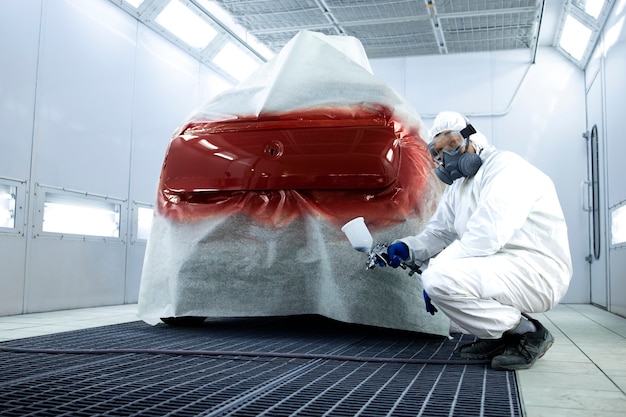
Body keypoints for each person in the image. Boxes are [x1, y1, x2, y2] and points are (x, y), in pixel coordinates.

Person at [380, 111, 572, 370]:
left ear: (473, 137)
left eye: (452, 144)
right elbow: (439, 233)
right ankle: (499, 335)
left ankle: (529, 332)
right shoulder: (459, 187)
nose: (448, 156)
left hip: (537, 270)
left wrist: (435, 274)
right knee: (438, 277)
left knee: (440, 279)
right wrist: (408, 248)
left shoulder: (506, 168)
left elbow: (485, 237)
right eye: (439, 152)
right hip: (502, 265)